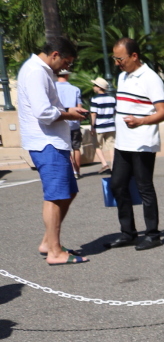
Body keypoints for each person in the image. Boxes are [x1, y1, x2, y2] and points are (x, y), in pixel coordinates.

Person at [17, 37, 89, 265]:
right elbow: (43, 112)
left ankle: (49, 242)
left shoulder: (41, 71)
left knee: (66, 192)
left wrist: (68, 110)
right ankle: (54, 251)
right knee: (56, 196)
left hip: (52, 141)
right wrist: (69, 114)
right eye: (67, 62)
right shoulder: (36, 72)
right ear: (55, 54)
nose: (67, 67)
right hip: (45, 141)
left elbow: (48, 108)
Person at [107, 37, 164, 251]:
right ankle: (128, 233)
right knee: (117, 185)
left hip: (142, 142)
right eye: (115, 58)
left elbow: (163, 112)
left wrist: (140, 121)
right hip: (123, 142)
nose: (117, 63)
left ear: (134, 56)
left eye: (120, 58)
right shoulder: (123, 76)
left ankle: (153, 234)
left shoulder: (151, 78)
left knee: (144, 187)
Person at [55, 70, 83, 176]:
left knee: (65, 147)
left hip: (60, 121)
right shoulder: (75, 89)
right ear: (67, 75)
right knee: (76, 147)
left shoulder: (53, 88)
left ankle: (71, 171)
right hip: (74, 122)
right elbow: (79, 107)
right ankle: (77, 171)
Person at [88, 76, 115, 174]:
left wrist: (92, 126)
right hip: (111, 125)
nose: (93, 87)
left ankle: (104, 164)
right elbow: (114, 112)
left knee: (97, 145)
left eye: (95, 85)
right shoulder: (112, 98)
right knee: (111, 145)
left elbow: (93, 114)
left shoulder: (95, 99)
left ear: (99, 87)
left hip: (100, 126)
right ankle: (114, 165)